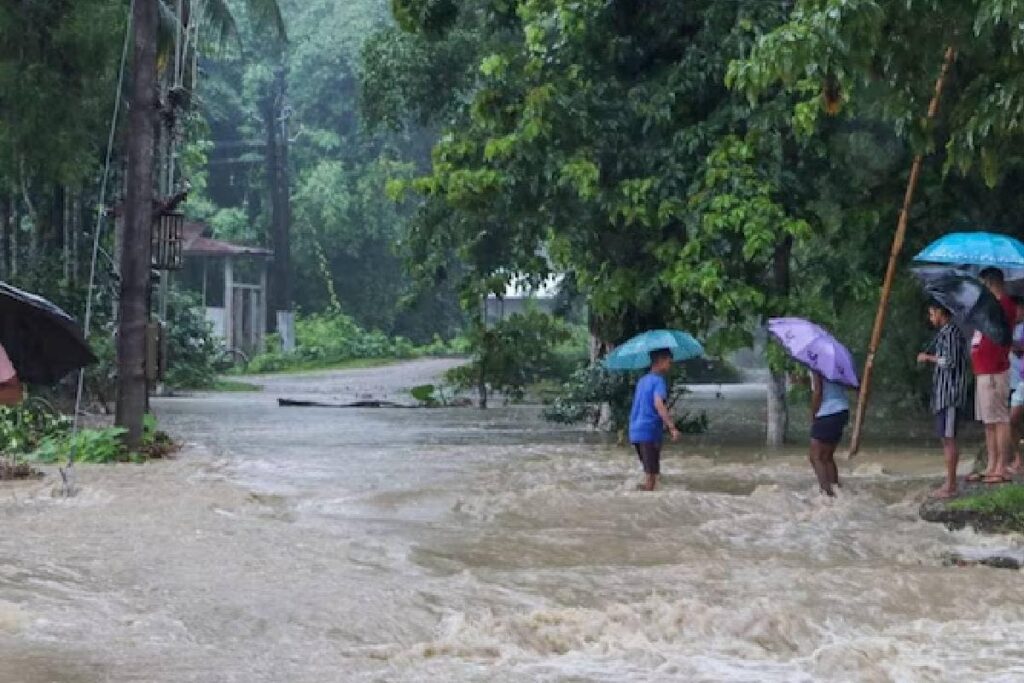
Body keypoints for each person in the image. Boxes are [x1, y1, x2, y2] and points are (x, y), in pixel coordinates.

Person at [967, 267, 1016, 484]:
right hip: (983, 368)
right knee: (989, 421)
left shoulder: (1003, 305)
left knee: (999, 419)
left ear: (989, 283)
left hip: (995, 369)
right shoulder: (989, 306)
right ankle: (991, 463)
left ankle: (1002, 467)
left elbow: (1001, 334)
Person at [917, 301, 968, 498]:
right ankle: (949, 481)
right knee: (945, 438)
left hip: (950, 395)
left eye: (932, 314)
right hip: (942, 395)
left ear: (940, 312)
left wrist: (929, 358)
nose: (931, 318)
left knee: (949, 438)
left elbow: (951, 361)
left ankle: (951, 484)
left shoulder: (951, 334)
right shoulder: (944, 333)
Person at [628, 348, 680, 491]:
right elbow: (658, 404)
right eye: (669, 361)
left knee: (649, 473)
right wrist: (672, 427)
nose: (670, 365)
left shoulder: (642, 381)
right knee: (652, 477)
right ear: (660, 361)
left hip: (635, 431)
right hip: (649, 431)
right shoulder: (658, 381)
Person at [808, 370, 849, 497]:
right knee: (827, 456)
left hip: (827, 412)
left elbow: (818, 392)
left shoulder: (818, 367)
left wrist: (813, 413)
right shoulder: (836, 366)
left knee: (816, 457)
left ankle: (827, 493)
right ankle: (836, 489)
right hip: (842, 410)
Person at [1009, 296, 1024, 474]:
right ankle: (1018, 458)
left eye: (1017, 308)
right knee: (1012, 421)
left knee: (1013, 419)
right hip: (1013, 382)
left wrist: (1009, 342)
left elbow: (1020, 348)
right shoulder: (1010, 328)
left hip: (1022, 381)